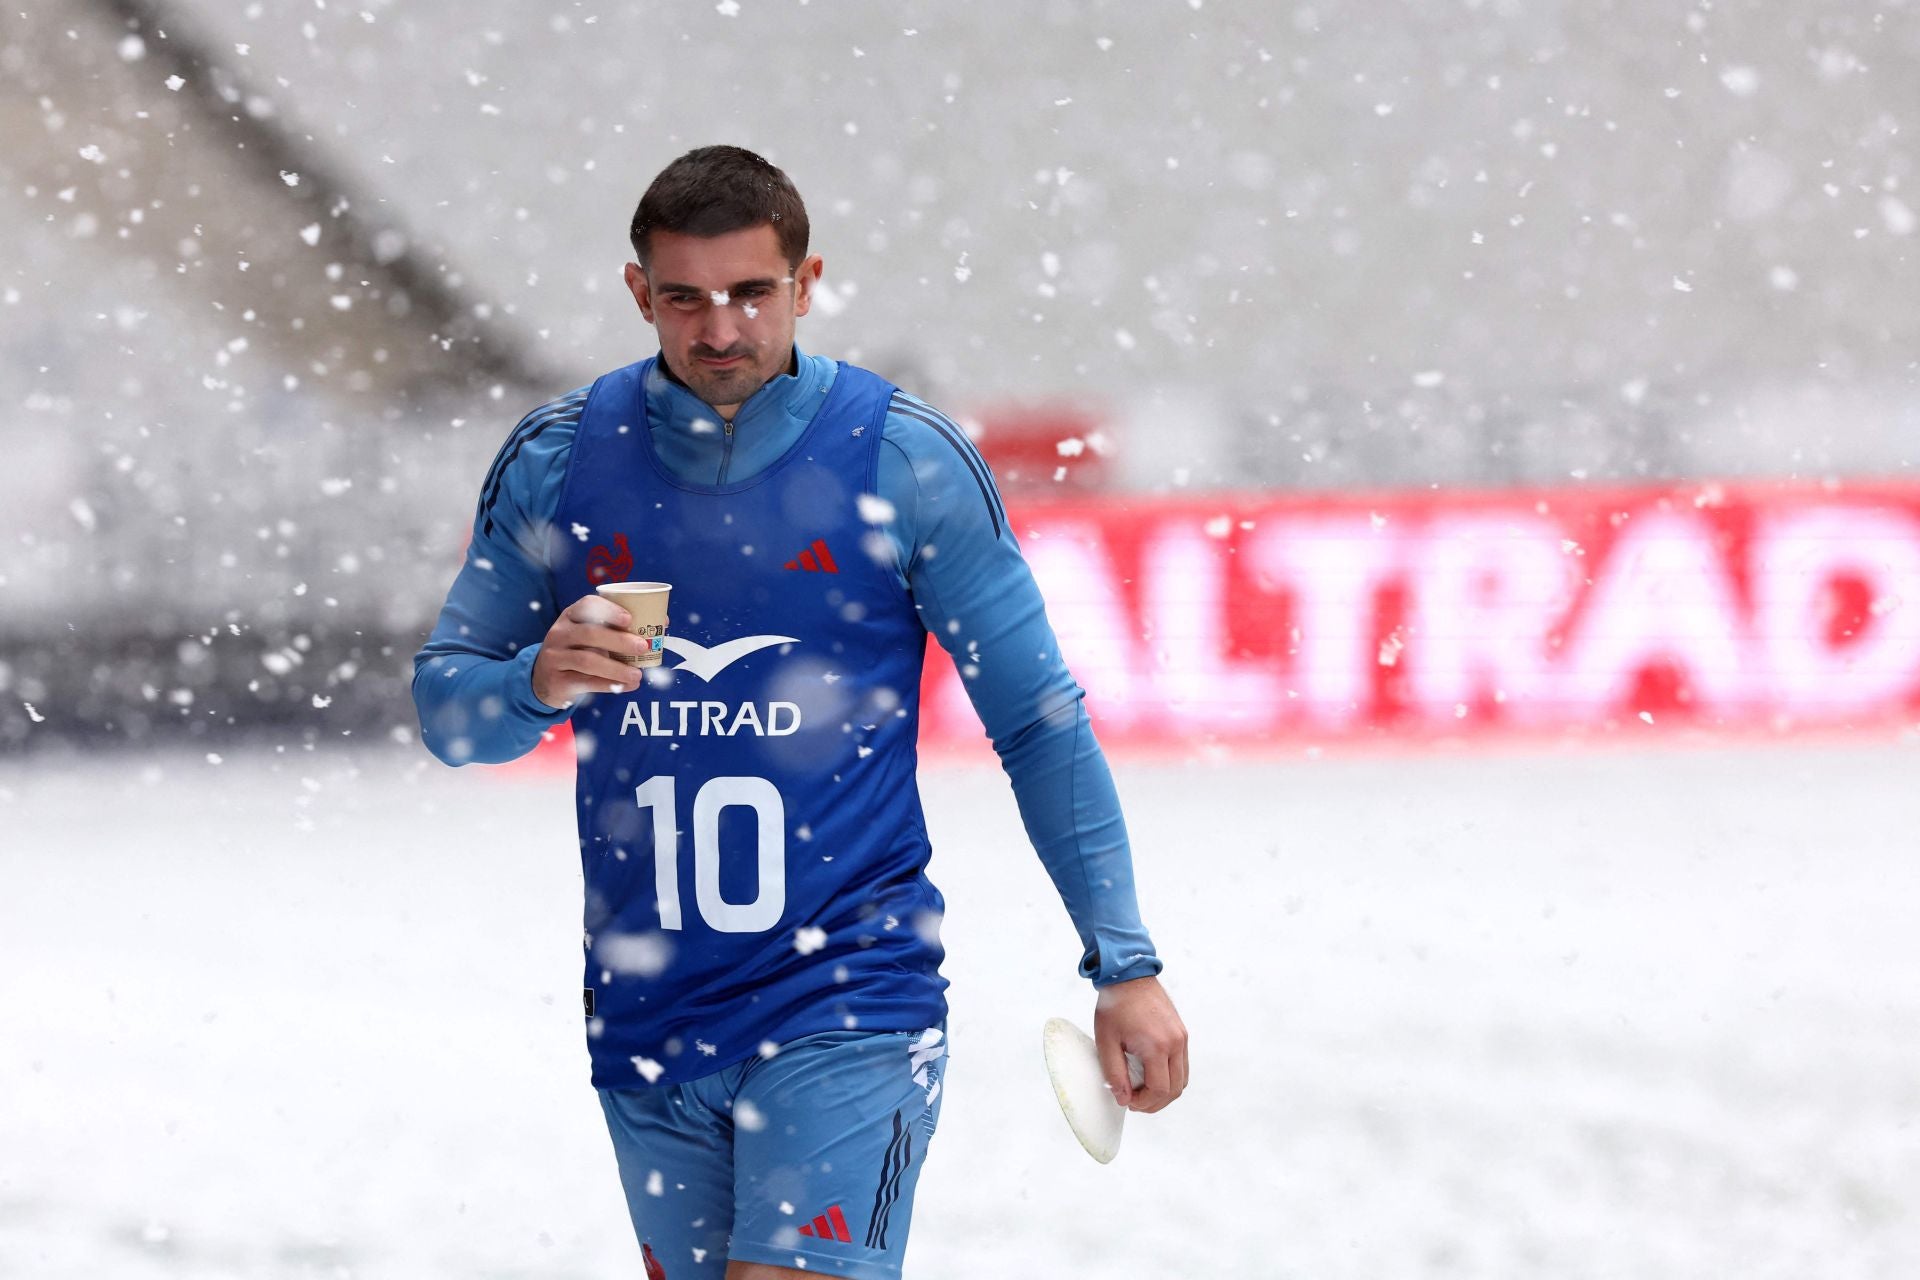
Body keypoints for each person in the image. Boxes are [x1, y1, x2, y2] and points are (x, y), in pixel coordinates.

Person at [412, 145, 1187, 1280]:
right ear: (639, 293)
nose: (719, 329)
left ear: (806, 282)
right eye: (684, 298)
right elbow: (446, 713)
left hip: (850, 998)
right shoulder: (562, 460)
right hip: (648, 1015)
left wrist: (1123, 960)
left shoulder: (903, 460)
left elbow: (1038, 721)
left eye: (750, 294)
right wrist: (533, 677)